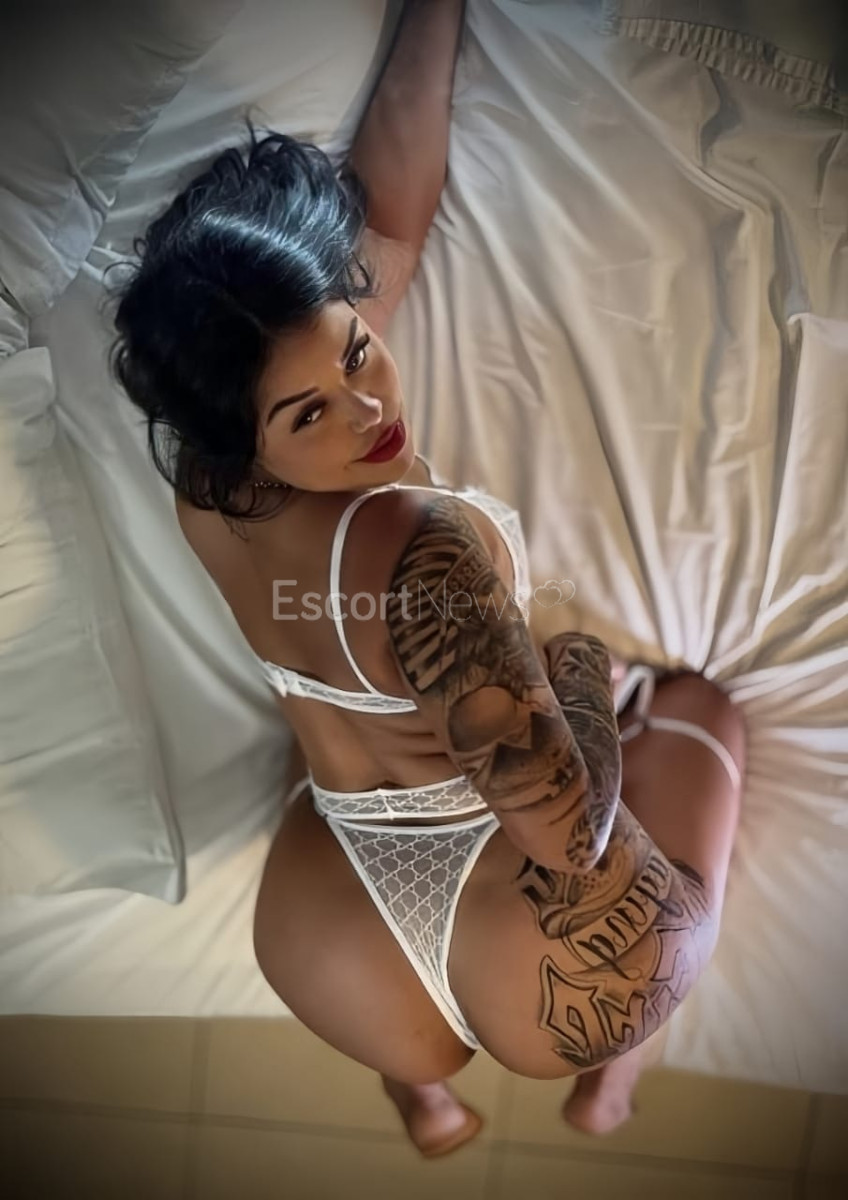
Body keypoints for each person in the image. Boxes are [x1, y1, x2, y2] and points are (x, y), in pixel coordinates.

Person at [111, 0, 746, 1158]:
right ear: (256, 428)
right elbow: (565, 836)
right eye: (312, 412)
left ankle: (423, 1092)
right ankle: (609, 1079)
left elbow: (389, 224)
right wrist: (579, 670)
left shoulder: (209, 474)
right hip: (538, 964)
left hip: (329, 929)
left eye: (358, 350)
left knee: (326, 771)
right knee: (704, 710)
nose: (369, 411)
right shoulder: (419, 550)